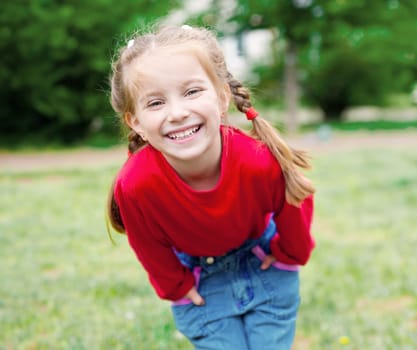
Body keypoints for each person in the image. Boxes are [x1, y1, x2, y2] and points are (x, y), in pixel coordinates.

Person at [106, 24, 315, 350]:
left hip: (263, 262)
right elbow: (146, 243)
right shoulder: (136, 185)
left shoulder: (258, 161)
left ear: (221, 97)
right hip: (202, 282)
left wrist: (290, 253)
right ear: (136, 122)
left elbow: (295, 197)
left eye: (191, 92)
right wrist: (176, 286)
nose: (177, 113)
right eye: (156, 103)